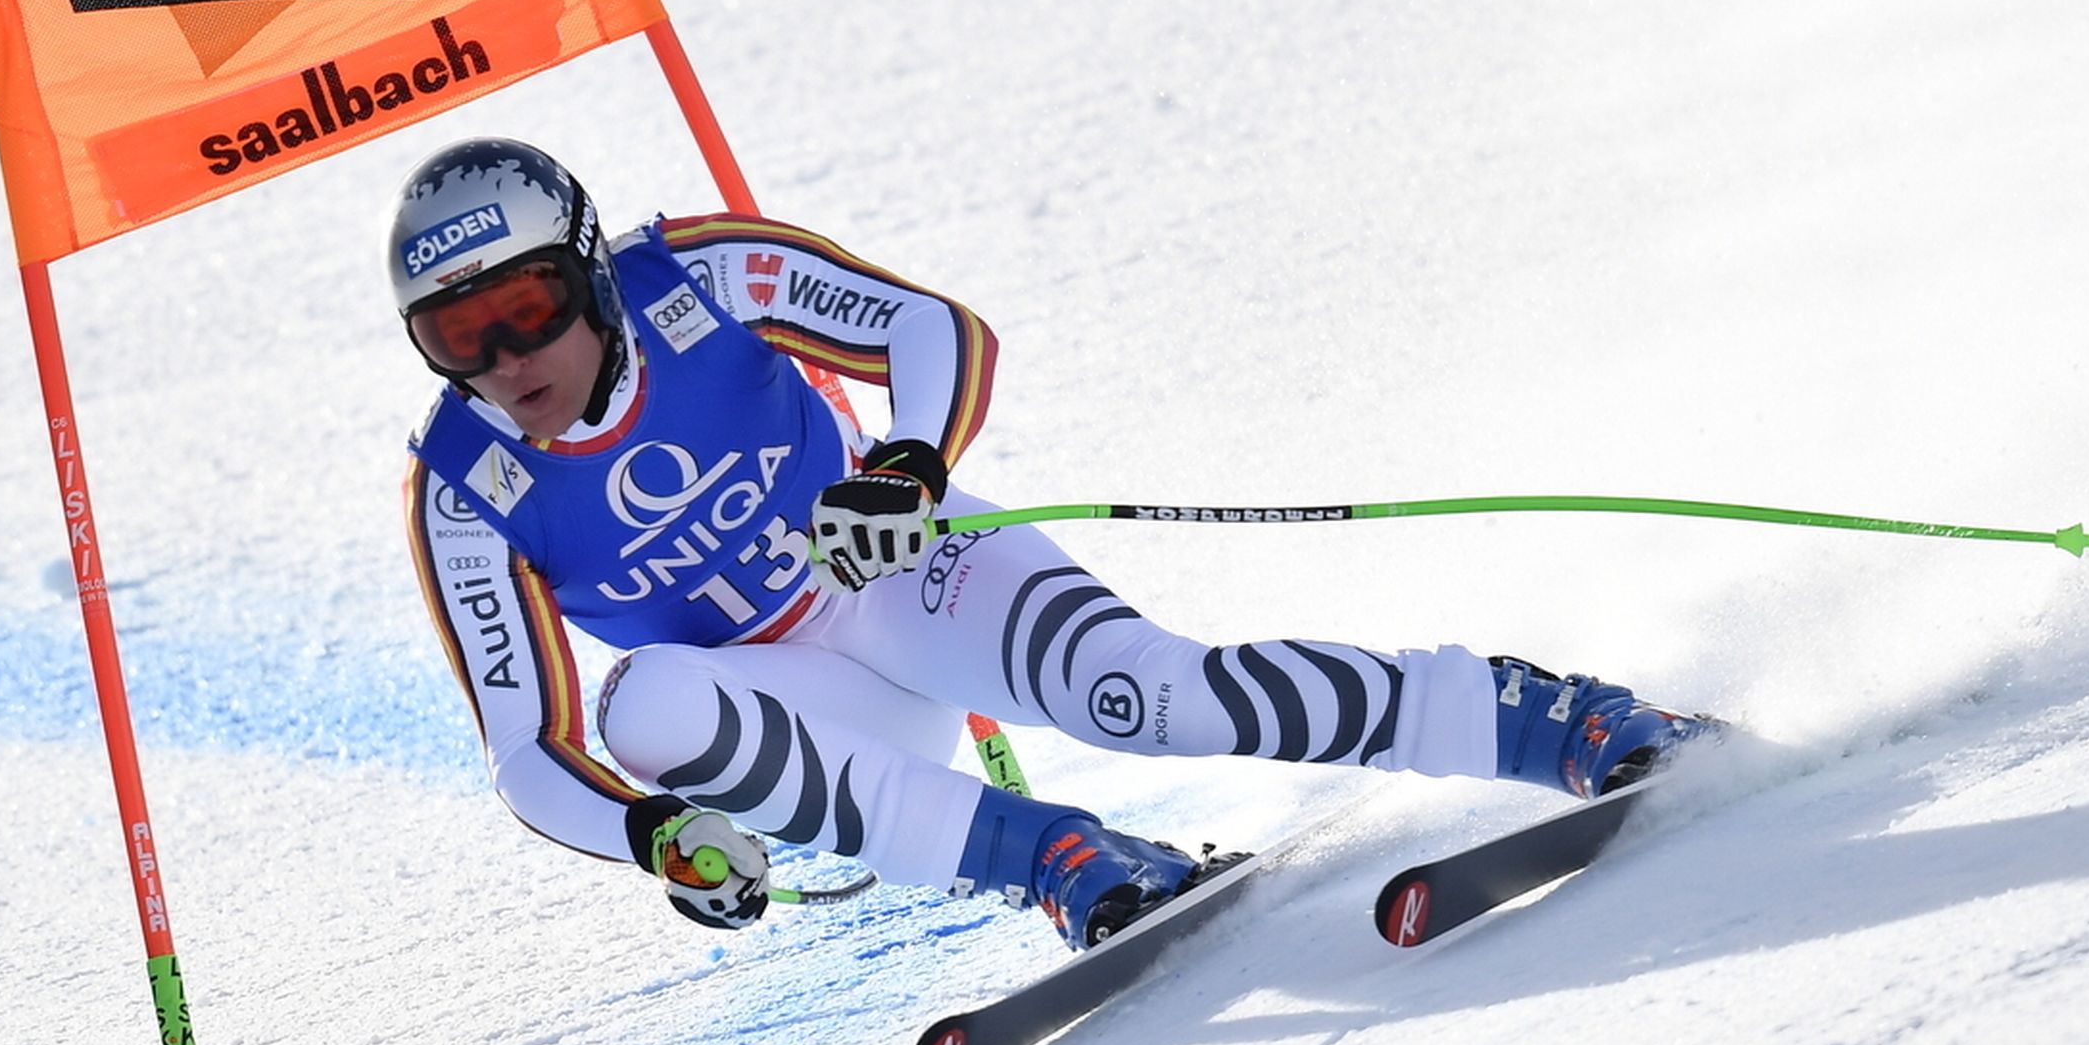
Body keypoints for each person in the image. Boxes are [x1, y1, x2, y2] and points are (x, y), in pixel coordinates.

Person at [397, 138, 1708, 950]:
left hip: (895, 567)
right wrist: (654, 838)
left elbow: (931, 329)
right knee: (648, 710)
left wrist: (909, 462)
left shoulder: (697, 275)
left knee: (1150, 698)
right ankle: (1064, 861)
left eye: (529, 307)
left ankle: (1559, 722)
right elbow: (527, 752)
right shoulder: (466, 492)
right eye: (463, 339)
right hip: (807, 711)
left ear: (587, 274)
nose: (512, 360)